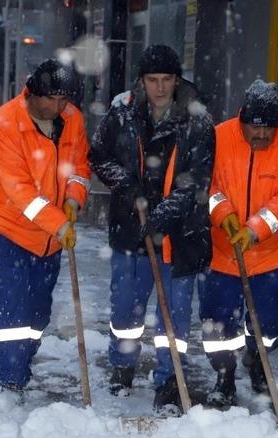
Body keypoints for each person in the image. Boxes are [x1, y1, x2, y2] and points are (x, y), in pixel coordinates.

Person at [89, 44, 215, 414]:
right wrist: (127, 186)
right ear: (141, 81)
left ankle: (170, 379)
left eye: (167, 80)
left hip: (180, 237)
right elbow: (98, 155)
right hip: (130, 232)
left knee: (173, 317)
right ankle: (123, 366)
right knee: (126, 310)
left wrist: (164, 213)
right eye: (152, 80)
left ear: (177, 80)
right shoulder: (122, 114)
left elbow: (197, 179)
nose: (160, 88)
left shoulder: (198, 120)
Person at [0, 59, 91, 393]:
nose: (59, 107)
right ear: (32, 93)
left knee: (39, 313)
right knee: (16, 310)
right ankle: (11, 381)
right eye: (52, 100)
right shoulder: (5, 124)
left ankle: (23, 360)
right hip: (7, 230)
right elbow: (20, 193)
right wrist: (59, 224)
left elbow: (79, 166)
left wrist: (73, 200)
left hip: (50, 239)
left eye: (64, 100)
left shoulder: (72, 119)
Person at [200, 80, 278, 408]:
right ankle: (224, 376)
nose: (261, 136)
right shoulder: (218, 137)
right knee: (217, 323)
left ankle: (258, 358)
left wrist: (254, 229)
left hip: (270, 254)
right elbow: (208, 185)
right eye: (254, 129)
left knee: (269, 321)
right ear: (243, 119)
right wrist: (223, 214)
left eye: (268, 130)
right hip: (222, 251)